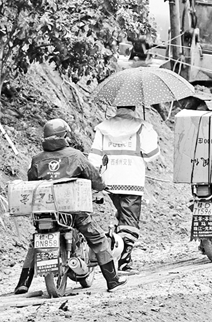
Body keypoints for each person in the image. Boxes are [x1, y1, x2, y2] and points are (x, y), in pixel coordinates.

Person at [14, 118, 126, 294]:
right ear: (64, 136)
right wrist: (102, 187)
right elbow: (94, 177)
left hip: (45, 212)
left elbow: (32, 183)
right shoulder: (76, 156)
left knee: (35, 242)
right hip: (73, 212)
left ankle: (23, 283)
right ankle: (112, 280)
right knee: (97, 238)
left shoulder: (37, 159)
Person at [87, 105, 159, 273]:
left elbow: (94, 158)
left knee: (122, 217)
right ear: (134, 107)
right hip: (132, 181)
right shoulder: (142, 126)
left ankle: (115, 251)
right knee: (130, 221)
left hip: (110, 181)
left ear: (117, 107)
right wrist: (151, 134)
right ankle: (124, 262)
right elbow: (151, 155)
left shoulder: (104, 127)